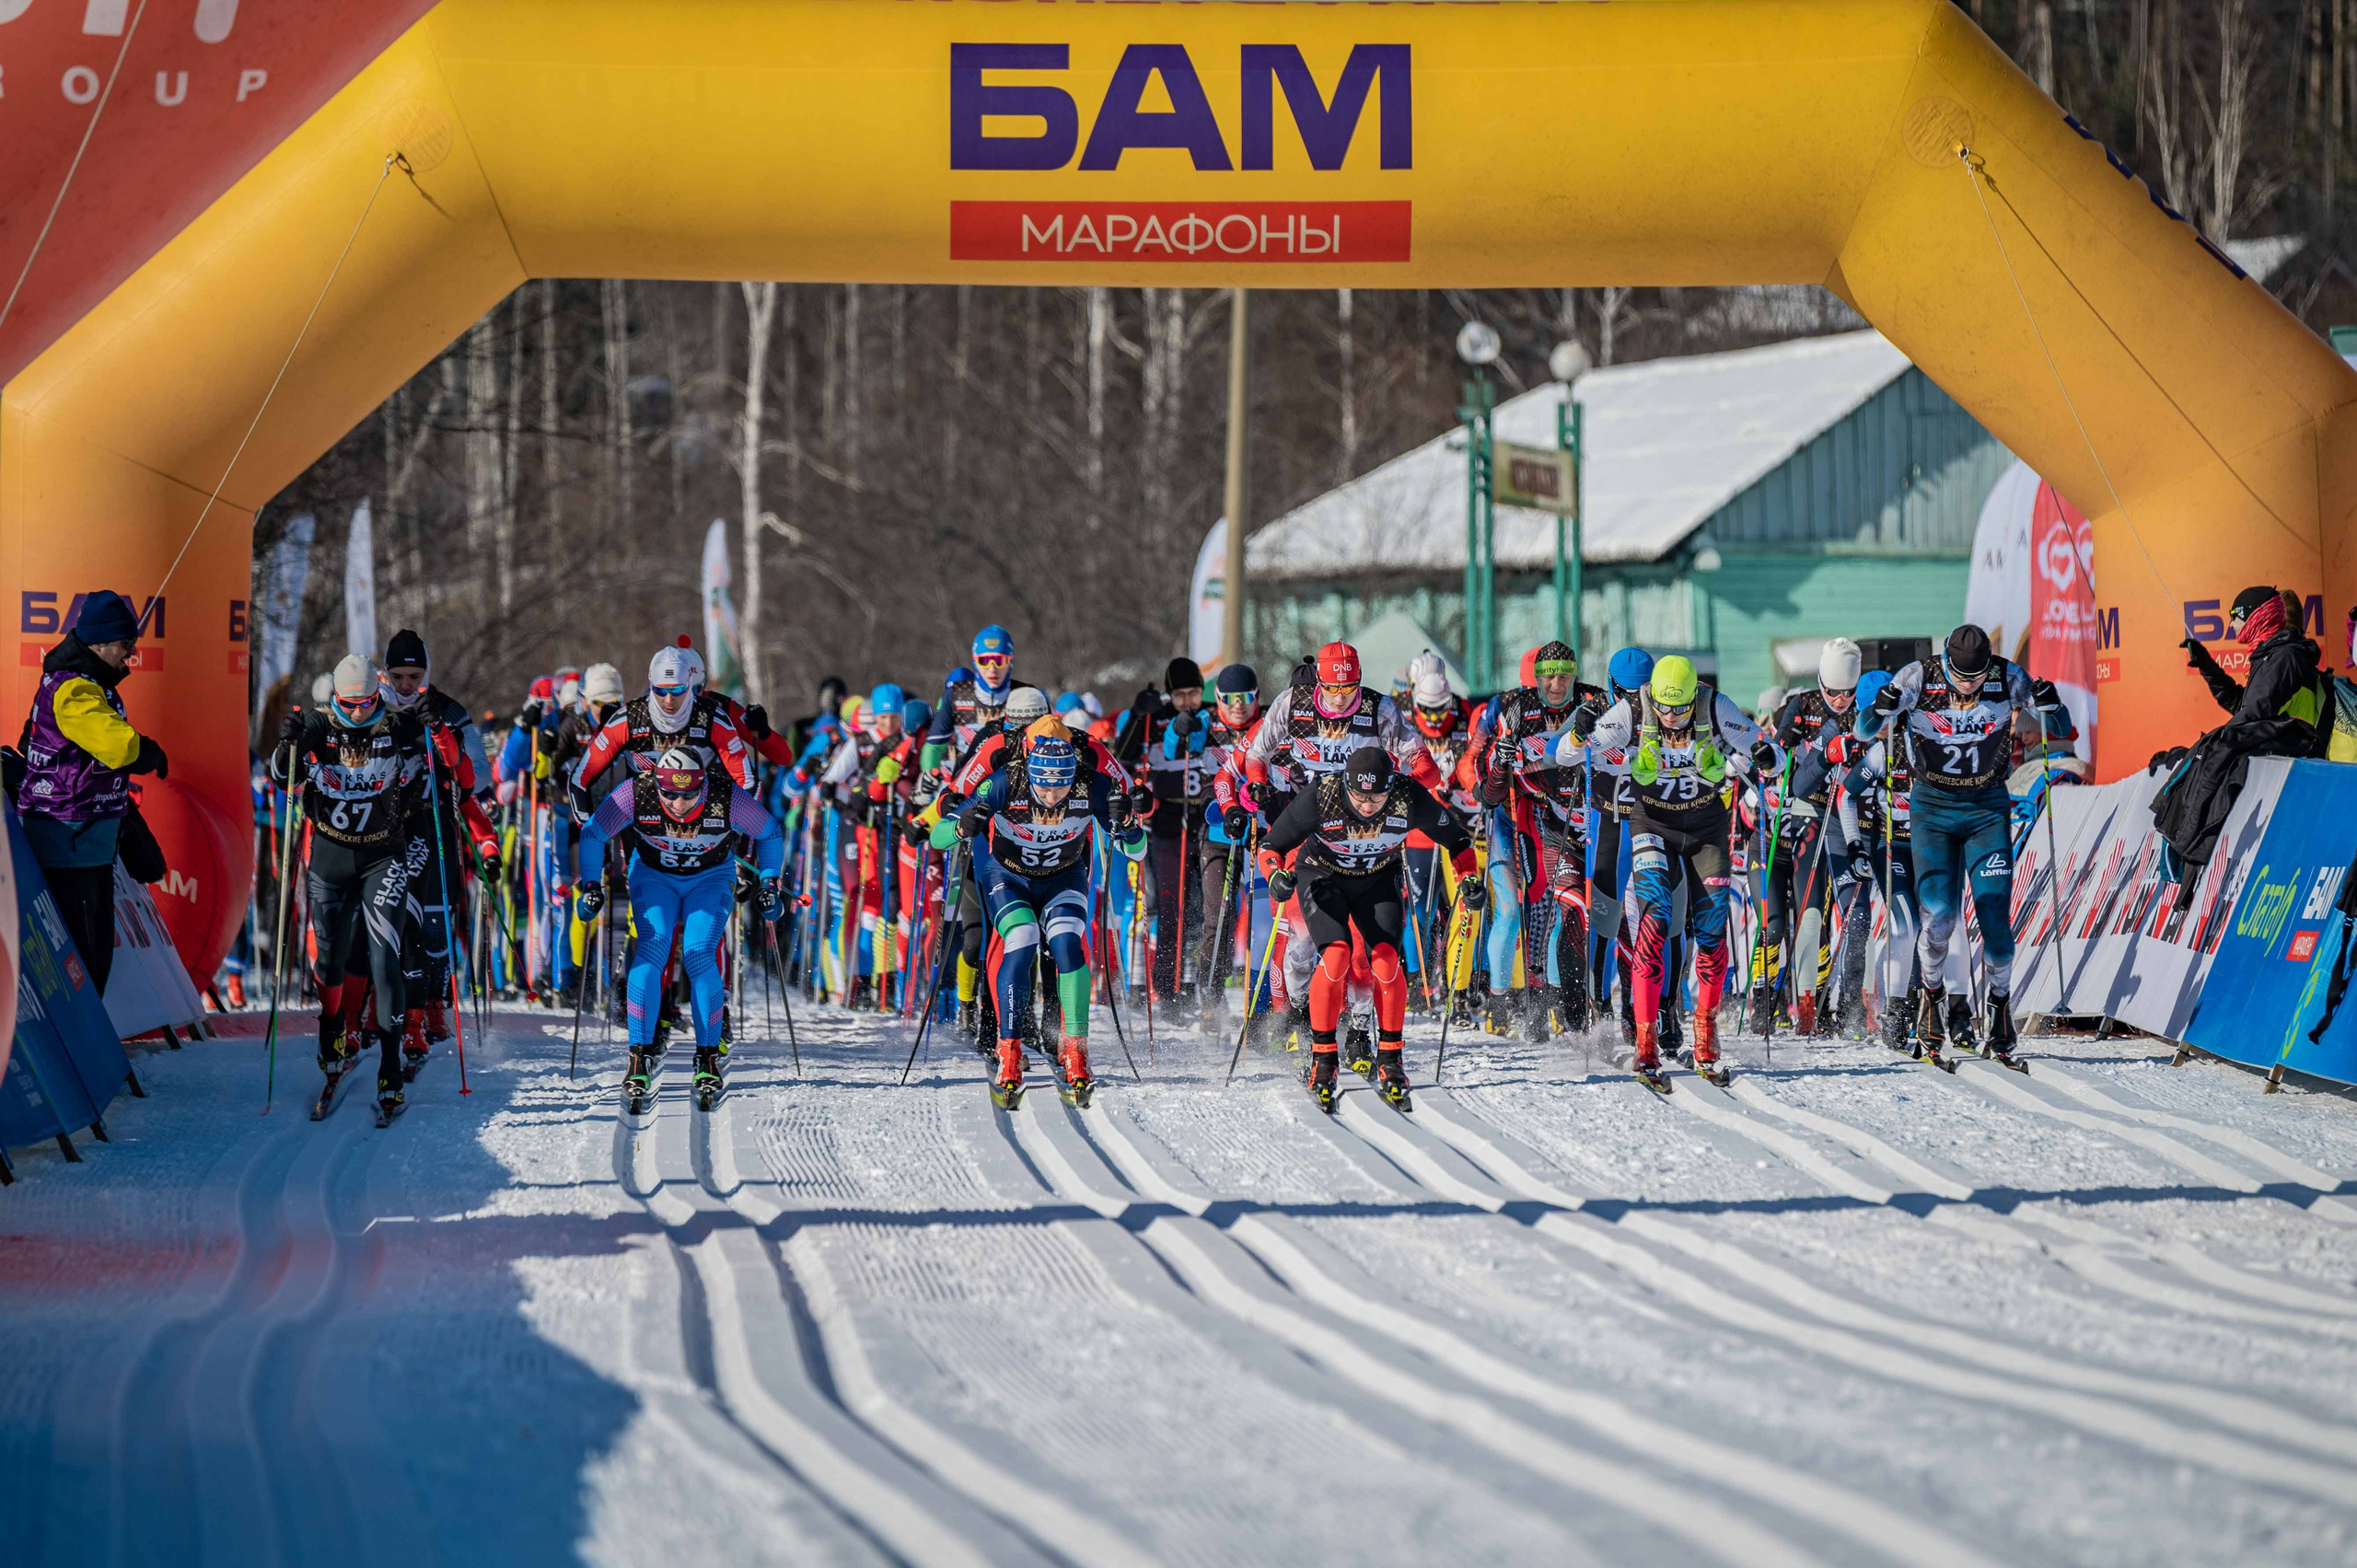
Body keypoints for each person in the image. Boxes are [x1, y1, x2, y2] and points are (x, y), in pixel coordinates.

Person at [1563, 656, 1779, 1091]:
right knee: (1654, 922)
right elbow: (1572, 754)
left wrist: (1761, 756)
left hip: (1705, 830)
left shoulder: (1715, 706)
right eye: (1664, 708)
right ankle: (1645, 1043)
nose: (1671, 718)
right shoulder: (1633, 710)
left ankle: (1705, 1032)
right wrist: (1579, 731)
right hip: (1653, 827)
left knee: (1712, 932)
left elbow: (1771, 759)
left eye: (1680, 710)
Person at [1863, 624, 2047, 1069]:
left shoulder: (2008, 677)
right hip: (1934, 811)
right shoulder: (1917, 677)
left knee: (1995, 923)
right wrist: (1878, 710)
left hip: (1987, 808)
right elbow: (1862, 729)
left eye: (1976, 678)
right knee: (1940, 917)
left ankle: (1999, 1009)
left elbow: (2057, 725)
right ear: (1944, 662)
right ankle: (1931, 997)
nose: (1968, 686)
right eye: (1959, 678)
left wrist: (2051, 704)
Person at [1259, 745, 1480, 1112]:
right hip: (1322, 876)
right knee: (1337, 954)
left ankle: (1391, 1060)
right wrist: (1276, 875)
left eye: (1377, 796)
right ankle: (1324, 1059)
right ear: (1346, 785)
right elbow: (1272, 845)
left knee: (1385, 961)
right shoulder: (1322, 796)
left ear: (1390, 787)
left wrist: (1469, 877)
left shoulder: (1408, 796)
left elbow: (1456, 839)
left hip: (1377, 879)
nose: (1366, 805)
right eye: (1359, 796)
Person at [575, 746, 784, 1110]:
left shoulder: (725, 796)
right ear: (657, 784)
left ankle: (707, 1058)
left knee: (699, 953)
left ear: (701, 786)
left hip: (709, 878)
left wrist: (768, 882)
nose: (679, 803)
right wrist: (592, 884)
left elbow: (770, 832)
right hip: (655, 878)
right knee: (653, 948)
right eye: (670, 794)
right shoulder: (636, 792)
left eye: (689, 795)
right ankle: (639, 1056)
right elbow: (593, 833)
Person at [273, 655, 431, 1121]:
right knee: (330, 957)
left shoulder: (394, 723)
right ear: (336, 699)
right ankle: (331, 1030)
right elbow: (284, 776)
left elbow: (446, 763)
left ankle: (390, 1068)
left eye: (366, 704)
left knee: (386, 959)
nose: (358, 713)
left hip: (383, 856)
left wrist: (434, 729)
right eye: (349, 704)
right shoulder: (321, 726)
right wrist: (288, 743)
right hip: (331, 857)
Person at [956, 717, 1134, 1109]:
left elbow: (1132, 848)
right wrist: (960, 826)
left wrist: (1129, 824)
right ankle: (1009, 1048)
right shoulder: (1005, 782)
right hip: (1010, 877)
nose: (1052, 795)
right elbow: (942, 828)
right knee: (1021, 940)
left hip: (1063, 878)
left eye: (1061, 784)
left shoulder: (1092, 786)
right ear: (1030, 773)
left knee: (1068, 944)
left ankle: (1075, 1049)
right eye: (1044, 784)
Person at [13, 589, 168, 993]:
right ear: (97, 643)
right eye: (124, 645)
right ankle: (89, 1053)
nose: (129, 654)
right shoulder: (74, 689)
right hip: (68, 840)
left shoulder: (89, 683)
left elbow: (32, 742)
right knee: (84, 961)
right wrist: (148, 751)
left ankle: (92, 1048)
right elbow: (118, 745)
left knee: (93, 955)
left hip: (86, 839)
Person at [382, 629, 498, 1066]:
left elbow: (480, 778)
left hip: (435, 826)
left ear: (426, 672)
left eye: (414, 675)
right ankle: (387, 1011)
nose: (406, 685)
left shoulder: (448, 708)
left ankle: (435, 1004)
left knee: (434, 924)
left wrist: (444, 732)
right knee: (391, 923)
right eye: (398, 675)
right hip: (389, 829)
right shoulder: (374, 703)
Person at [1480, 639, 1604, 1040]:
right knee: (1516, 909)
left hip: (1570, 814)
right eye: (1549, 675)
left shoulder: (1593, 700)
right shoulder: (1514, 705)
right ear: (1537, 677)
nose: (1556, 683)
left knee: (1559, 908)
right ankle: (1501, 1004)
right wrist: (1500, 761)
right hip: (1518, 812)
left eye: (1564, 675)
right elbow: (1488, 785)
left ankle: (1556, 1000)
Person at [1753, 638, 1862, 1034]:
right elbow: (1786, 769)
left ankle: (1811, 1008)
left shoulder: (1862, 714)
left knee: (1814, 919)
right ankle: (1764, 1004)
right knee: (1773, 923)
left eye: (1846, 693)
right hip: (1788, 814)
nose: (1838, 699)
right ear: (1819, 681)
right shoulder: (1801, 706)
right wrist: (1776, 756)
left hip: (1829, 818)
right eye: (1831, 690)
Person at [1118, 656, 1213, 1003]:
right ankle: (1165, 985)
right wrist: (1137, 714)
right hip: (1166, 821)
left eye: (1193, 693)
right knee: (1168, 906)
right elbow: (1123, 753)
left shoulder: (1212, 713)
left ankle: (1192, 981)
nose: (1188, 701)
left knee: (1202, 909)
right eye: (1180, 696)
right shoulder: (1155, 717)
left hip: (1202, 819)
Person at [1840, 668, 1920, 1052]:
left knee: (1927, 927)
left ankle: (1921, 1006)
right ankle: (1880, 1008)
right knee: (1891, 924)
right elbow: (1845, 795)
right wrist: (1854, 845)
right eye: (1873, 718)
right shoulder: (1874, 747)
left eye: (1887, 718)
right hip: (1882, 843)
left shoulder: (1917, 740)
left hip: (1924, 842)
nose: (1880, 726)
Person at [2183, 586, 2328, 742]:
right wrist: (2207, 665)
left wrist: (2213, 744)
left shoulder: (2287, 658)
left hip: (2287, 760)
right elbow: (2243, 704)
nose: (2231, 625)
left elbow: (2254, 712)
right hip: (2278, 758)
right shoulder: (2282, 657)